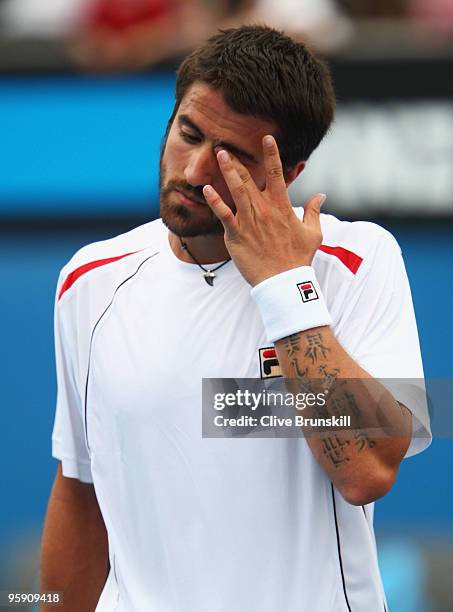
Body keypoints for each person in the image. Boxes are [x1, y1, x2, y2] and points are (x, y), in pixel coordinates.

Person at [41, 25, 431, 612]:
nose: (196, 170)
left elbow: (366, 471)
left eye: (233, 158)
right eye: (188, 134)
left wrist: (283, 284)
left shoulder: (357, 261)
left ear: (289, 173)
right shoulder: (88, 280)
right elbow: (80, 488)